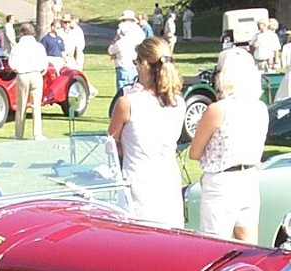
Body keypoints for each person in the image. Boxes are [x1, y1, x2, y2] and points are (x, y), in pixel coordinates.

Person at [189, 48, 268, 242]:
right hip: (249, 177)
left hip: (222, 181)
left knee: (214, 246)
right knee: (249, 244)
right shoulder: (259, 108)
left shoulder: (217, 110)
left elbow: (194, 152)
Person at [107, 36, 186, 228]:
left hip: (139, 183)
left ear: (143, 64)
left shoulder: (128, 103)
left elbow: (110, 143)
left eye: (136, 62)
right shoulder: (179, 102)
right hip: (168, 180)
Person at [8, 22, 48, 140]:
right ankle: (37, 133)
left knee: (21, 105)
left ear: (21, 33)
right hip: (36, 74)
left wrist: (17, 69)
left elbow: (12, 63)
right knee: (36, 105)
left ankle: (18, 134)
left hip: (22, 75)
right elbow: (44, 63)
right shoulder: (38, 46)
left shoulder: (17, 47)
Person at [108, 11, 145, 94]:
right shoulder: (139, 34)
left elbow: (111, 50)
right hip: (136, 67)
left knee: (123, 93)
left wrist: (115, 40)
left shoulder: (122, 40)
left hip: (123, 67)